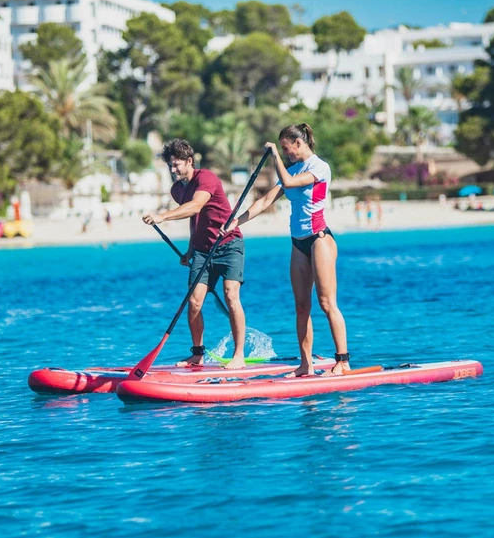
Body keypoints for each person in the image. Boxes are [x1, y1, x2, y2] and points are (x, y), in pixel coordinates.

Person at [222, 123, 350, 377]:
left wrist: (274, 156)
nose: (285, 152)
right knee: (301, 307)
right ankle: (306, 364)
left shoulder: (319, 167)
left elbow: (290, 183)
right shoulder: (292, 169)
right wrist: (236, 221)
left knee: (326, 303)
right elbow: (266, 200)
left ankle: (343, 361)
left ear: (299, 143)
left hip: (319, 239)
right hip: (298, 243)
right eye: (282, 149)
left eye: (286, 147)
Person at [142, 139, 246, 370]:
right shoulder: (177, 189)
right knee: (194, 301)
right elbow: (195, 219)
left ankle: (238, 356)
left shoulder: (206, 177)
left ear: (190, 161)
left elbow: (197, 206)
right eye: (170, 165)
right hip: (201, 250)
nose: (172, 170)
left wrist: (162, 216)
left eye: (177, 164)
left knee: (231, 295)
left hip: (229, 244)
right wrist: (190, 250)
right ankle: (197, 353)